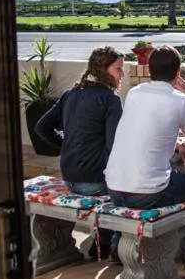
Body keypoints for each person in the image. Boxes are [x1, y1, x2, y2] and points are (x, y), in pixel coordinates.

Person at [105, 45, 185, 279]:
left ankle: (117, 247)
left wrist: (177, 144)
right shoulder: (181, 101)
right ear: (178, 72)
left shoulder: (134, 93)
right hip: (147, 193)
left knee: (164, 178)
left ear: (149, 71)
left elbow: (144, 130)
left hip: (113, 188)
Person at [35, 46, 125, 260]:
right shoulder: (111, 100)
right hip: (93, 181)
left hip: (69, 177)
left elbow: (41, 127)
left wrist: (65, 147)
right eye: (118, 68)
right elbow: (115, 146)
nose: (121, 73)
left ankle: (101, 243)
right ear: (103, 69)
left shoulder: (70, 94)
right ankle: (108, 245)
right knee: (128, 189)